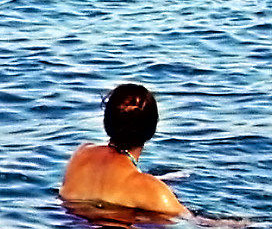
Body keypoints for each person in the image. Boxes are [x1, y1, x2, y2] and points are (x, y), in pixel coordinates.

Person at [59, 82, 188, 216]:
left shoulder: (81, 153)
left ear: (107, 121)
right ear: (152, 128)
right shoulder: (155, 192)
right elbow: (194, 222)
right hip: (117, 227)